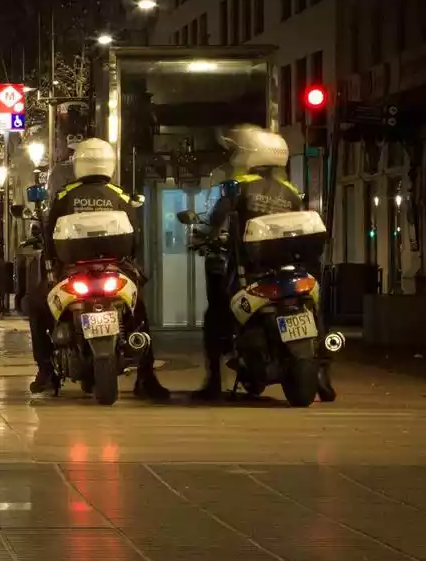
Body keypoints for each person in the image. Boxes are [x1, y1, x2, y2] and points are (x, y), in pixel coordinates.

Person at [193, 125, 334, 400]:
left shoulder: (236, 187)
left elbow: (214, 222)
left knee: (215, 315)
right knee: (315, 308)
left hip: (249, 270)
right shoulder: (291, 191)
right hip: (289, 268)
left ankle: (213, 379)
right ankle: (323, 373)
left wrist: (204, 237)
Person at [28, 138, 169, 399]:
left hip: (73, 271)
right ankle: (147, 377)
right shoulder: (120, 195)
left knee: (35, 307)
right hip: (115, 270)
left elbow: (48, 237)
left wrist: (53, 268)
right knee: (138, 313)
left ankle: (46, 373)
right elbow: (135, 235)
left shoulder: (64, 194)